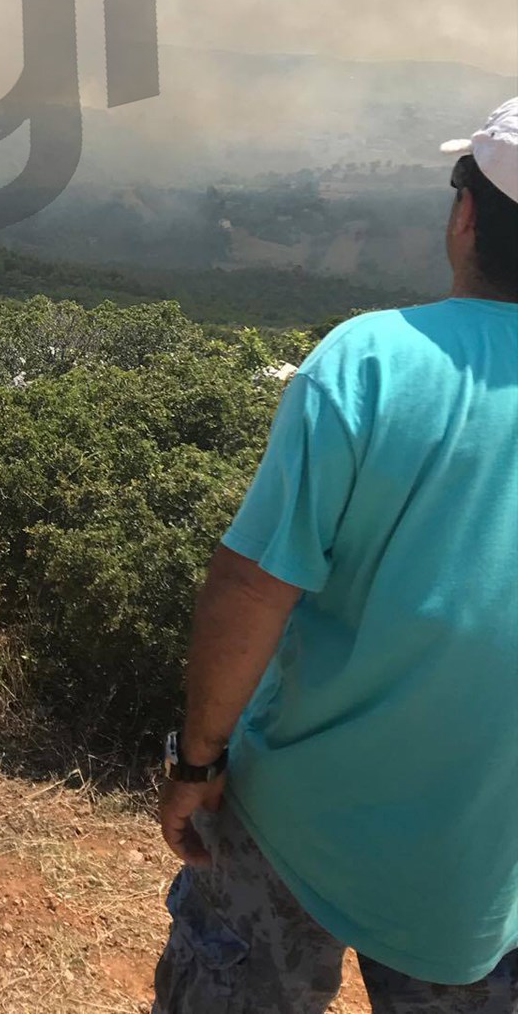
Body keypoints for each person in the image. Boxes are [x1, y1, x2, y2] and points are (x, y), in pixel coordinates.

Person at [152, 96, 518, 1012]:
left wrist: (198, 762)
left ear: (465, 215)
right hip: (485, 866)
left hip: (296, 822)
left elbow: (253, 585)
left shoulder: (370, 361)